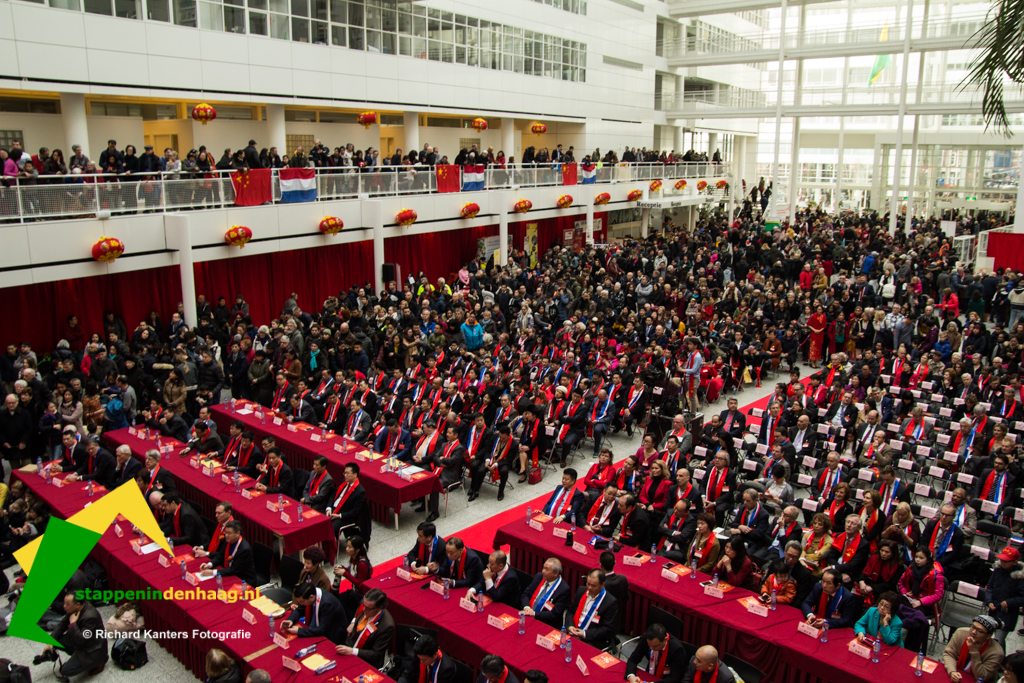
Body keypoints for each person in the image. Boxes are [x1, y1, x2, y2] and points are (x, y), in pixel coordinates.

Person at [38, 591, 108, 680]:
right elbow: (62, 624)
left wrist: (73, 624)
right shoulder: (75, 608)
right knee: (55, 641)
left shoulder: (90, 617)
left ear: (77, 604)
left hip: (91, 650)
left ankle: (99, 661)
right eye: (64, 603)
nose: (64, 606)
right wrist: (50, 643)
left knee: (65, 671)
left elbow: (82, 640)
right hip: (79, 640)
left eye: (67, 604)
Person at [335, 588, 394, 669]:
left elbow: (376, 654)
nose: (364, 609)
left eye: (368, 608)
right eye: (364, 605)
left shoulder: (387, 626)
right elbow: (359, 611)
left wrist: (352, 651)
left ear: (379, 608)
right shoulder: (366, 604)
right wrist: (353, 622)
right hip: (349, 645)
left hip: (365, 660)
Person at [565, 568, 619, 651]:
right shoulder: (581, 591)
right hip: (572, 632)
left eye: (593, 586)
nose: (589, 588)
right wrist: (570, 626)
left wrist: (584, 634)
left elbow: (606, 628)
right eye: (588, 584)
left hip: (591, 639)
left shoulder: (610, 602)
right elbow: (570, 611)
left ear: (602, 585)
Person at [942, 616, 1004, 683]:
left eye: (980, 631)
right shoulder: (960, 633)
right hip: (957, 672)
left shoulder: (997, 653)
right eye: (973, 627)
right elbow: (949, 654)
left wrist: (975, 652)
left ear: (988, 636)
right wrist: (952, 671)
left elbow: (981, 677)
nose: (973, 632)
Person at [281, 584, 347, 644]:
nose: (300, 604)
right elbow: (299, 610)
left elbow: (322, 629)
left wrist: (299, 631)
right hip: (319, 627)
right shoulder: (311, 594)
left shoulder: (327, 603)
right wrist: (290, 620)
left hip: (333, 635)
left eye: (302, 601)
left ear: (311, 597)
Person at [985, 546, 1024, 644]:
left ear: (1015, 562)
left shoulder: (1020, 577)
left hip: (1008, 614)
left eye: (1006, 561)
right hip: (994, 609)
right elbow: (990, 586)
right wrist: (989, 601)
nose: (1002, 562)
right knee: (985, 638)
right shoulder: (998, 570)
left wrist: (1009, 602)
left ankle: (1000, 659)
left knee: (999, 641)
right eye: (1001, 560)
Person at [625, 623, 689, 683]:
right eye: (649, 645)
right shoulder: (646, 639)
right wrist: (631, 676)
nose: (651, 648)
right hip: (650, 675)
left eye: (655, 646)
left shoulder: (677, 650)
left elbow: (674, 678)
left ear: (665, 640)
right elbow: (633, 660)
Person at [199, 520, 257, 585]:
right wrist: (209, 564)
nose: (226, 535)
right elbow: (220, 556)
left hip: (244, 579)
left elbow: (234, 570)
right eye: (225, 532)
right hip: (230, 572)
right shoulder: (227, 541)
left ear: (237, 533)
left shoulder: (244, 549)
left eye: (229, 533)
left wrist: (212, 572)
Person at [520, 557, 572, 628]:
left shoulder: (564, 590)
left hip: (546, 624)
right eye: (543, 568)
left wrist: (534, 614)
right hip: (527, 615)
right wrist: (527, 608)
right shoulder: (539, 577)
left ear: (555, 573)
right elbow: (525, 594)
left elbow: (555, 614)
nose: (543, 571)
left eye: (546, 569)